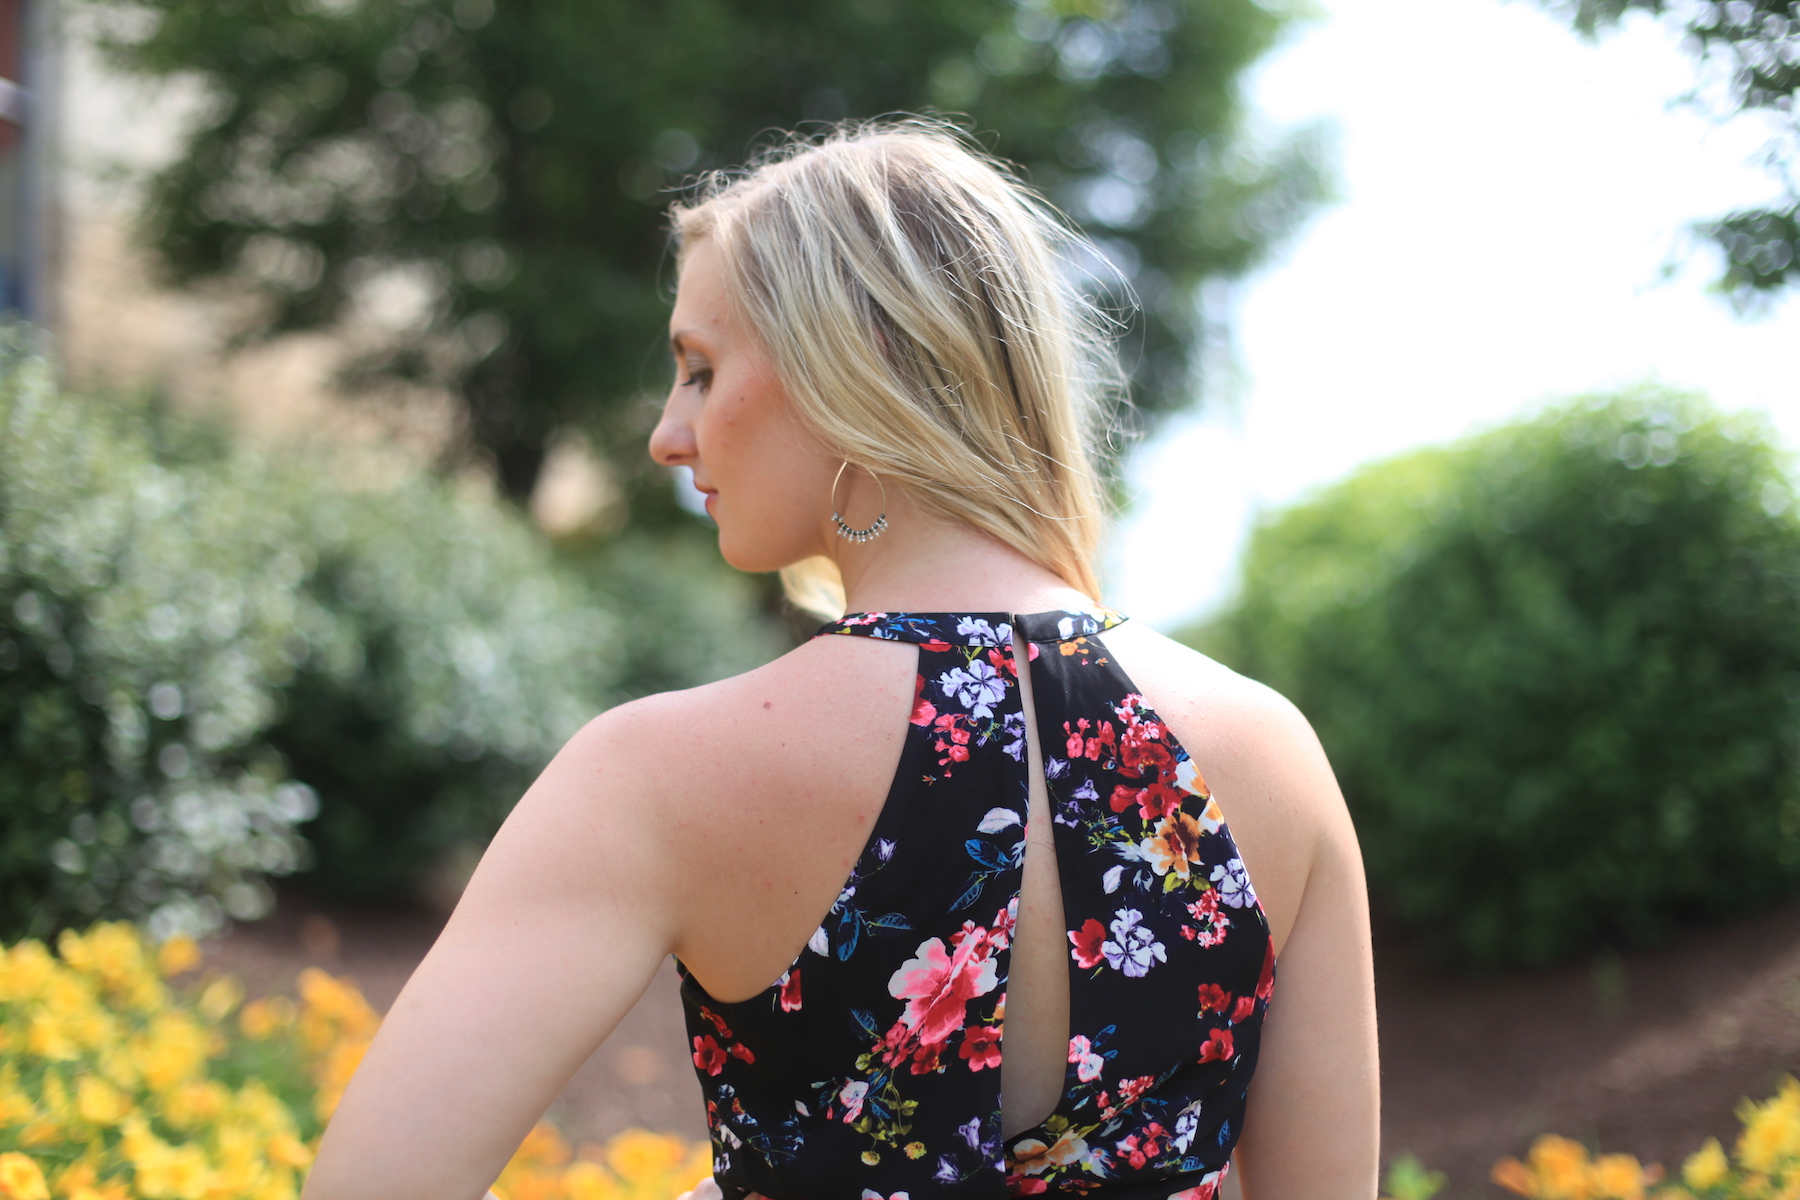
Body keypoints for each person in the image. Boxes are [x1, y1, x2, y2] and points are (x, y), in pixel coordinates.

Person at [300, 119, 1378, 1200]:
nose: (667, 436)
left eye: (700, 369)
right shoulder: (1273, 755)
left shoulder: (659, 772)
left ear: (845, 372)